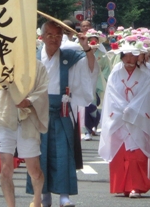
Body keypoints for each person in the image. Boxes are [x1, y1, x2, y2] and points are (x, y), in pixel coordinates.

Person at [27, 20, 99, 207]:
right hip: (38, 112)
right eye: (50, 35)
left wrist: (87, 49)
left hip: (62, 110)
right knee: (39, 153)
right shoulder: (32, 58)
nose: (54, 39)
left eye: (58, 35)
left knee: (64, 152)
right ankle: (42, 195)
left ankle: (64, 196)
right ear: (41, 37)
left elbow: (89, 70)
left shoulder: (69, 57)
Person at [99, 35, 150, 198]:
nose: (130, 59)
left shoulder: (145, 75)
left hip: (138, 119)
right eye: (127, 55)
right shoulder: (114, 75)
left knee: (136, 155)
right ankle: (122, 186)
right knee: (121, 153)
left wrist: (131, 110)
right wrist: (123, 109)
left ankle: (136, 186)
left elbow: (145, 96)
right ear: (122, 56)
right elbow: (112, 95)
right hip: (119, 118)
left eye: (134, 55)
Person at [0, 60, 49, 207]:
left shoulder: (38, 65)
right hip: (6, 115)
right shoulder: (3, 61)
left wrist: (29, 101)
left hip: (29, 118)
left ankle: (37, 201)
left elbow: (43, 89)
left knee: (34, 169)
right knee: (5, 168)